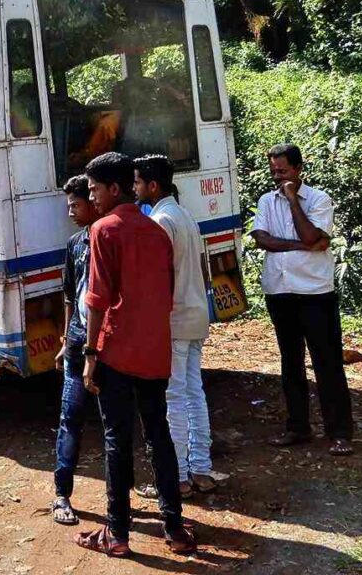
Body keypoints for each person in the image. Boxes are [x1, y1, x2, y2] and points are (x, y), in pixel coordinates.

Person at [75, 151, 196, 558]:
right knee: (157, 435)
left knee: (117, 440)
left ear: (114, 188)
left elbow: (97, 299)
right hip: (155, 351)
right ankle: (175, 530)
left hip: (117, 352)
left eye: (94, 190)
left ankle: (118, 534)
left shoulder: (103, 230)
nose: (92, 199)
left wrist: (91, 353)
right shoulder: (156, 231)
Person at [250, 143, 353, 456]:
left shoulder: (319, 200)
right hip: (280, 291)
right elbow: (262, 239)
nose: (277, 177)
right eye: (274, 172)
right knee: (290, 362)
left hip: (314, 292)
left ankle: (340, 433)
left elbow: (312, 236)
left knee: (327, 362)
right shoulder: (267, 200)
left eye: (282, 171)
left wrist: (294, 200)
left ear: (298, 169)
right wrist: (303, 245)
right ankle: (298, 427)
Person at [134, 154, 215, 498]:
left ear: (153, 186)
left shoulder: (161, 221)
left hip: (175, 321)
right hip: (196, 316)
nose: (134, 188)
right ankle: (201, 468)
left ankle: (178, 476)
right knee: (194, 393)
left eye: (137, 182)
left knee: (174, 398)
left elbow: (158, 281)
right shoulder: (186, 216)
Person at [51, 174, 99, 526]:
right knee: (70, 418)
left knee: (116, 422)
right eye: (68, 205)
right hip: (79, 343)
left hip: (106, 347)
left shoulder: (108, 239)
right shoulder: (74, 244)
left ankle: (120, 497)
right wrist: (67, 339)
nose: (71, 211)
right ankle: (61, 494)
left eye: (76, 204)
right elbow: (69, 294)